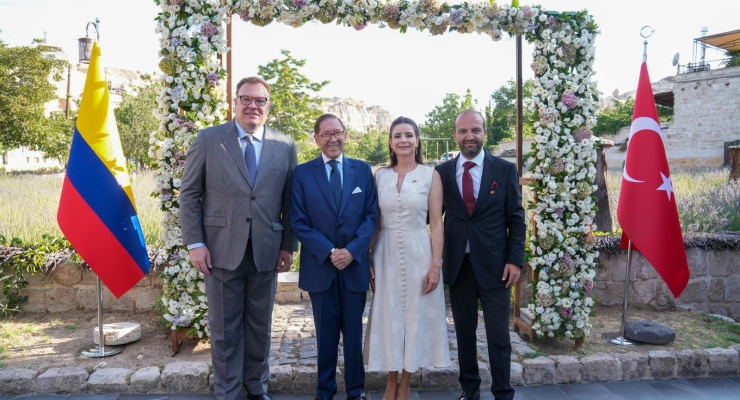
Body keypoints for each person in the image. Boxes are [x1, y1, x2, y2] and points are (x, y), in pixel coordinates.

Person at [180, 76, 298, 400]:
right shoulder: (208, 140)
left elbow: (291, 202)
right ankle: (228, 391)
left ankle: (257, 388)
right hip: (220, 251)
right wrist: (195, 243)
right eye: (246, 99)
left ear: (268, 106)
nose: (252, 106)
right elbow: (189, 194)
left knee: (260, 328)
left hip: (267, 251)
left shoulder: (284, 146)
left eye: (260, 100)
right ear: (235, 102)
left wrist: (288, 244)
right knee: (224, 329)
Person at [434, 110, 526, 400]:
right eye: (463, 131)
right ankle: (469, 390)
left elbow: (516, 218)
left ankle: (503, 392)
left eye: (475, 130)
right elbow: (432, 217)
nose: (469, 136)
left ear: (485, 133)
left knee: (499, 337)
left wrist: (515, 260)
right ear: (455, 135)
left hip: (497, 267)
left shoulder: (504, 170)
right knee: (464, 334)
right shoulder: (443, 173)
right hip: (459, 267)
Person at [290, 114, 378, 400]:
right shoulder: (302, 174)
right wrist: (330, 252)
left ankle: (356, 391)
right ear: (316, 138)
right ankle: (325, 391)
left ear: (345, 135)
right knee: (326, 336)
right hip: (321, 268)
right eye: (326, 134)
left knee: (353, 334)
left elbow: (371, 216)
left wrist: (352, 252)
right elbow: (299, 221)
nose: (333, 139)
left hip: (354, 268)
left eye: (338, 133)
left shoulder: (362, 171)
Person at [364, 117, 450, 400]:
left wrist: (435, 264)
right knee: (388, 315)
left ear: (417, 140)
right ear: (390, 142)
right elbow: (374, 222)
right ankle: (391, 379)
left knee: (415, 314)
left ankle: (407, 381)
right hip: (384, 252)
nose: (403, 140)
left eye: (409, 135)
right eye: (397, 135)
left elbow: (436, 223)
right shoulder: (379, 176)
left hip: (419, 251)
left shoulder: (431, 175)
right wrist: (368, 258)